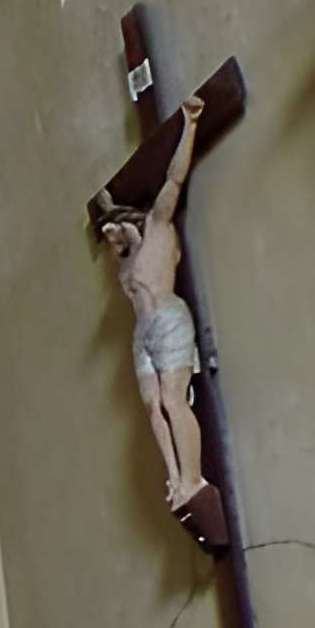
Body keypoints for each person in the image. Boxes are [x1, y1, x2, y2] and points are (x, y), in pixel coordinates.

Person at [93, 93, 209, 509]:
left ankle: (193, 478)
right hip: (144, 331)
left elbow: (174, 180)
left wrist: (190, 124)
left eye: (114, 233)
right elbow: (108, 219)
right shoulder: (123, 263)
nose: (111, 241)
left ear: (131, 223)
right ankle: (174, 479)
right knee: (149, 404)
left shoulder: (159, 229)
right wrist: (106, 207)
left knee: (173, 399)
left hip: (168, 319)